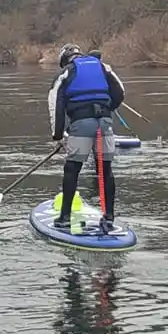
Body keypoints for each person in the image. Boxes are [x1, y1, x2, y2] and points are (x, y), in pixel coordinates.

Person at [47, 43, 125, 234]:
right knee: (105, 170)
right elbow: (120, 92)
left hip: (81, 124)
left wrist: (58, 135)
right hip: (105, 124)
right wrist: (107, 109)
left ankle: (64, 217)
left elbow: (55, 104)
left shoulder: (66, 73)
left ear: (65, 59)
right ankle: (109, 218)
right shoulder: (102, 67)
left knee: (72, 169)